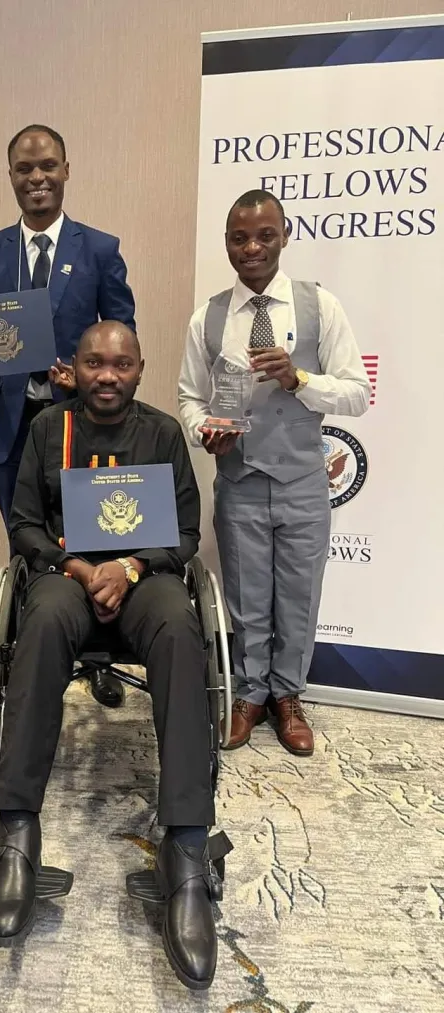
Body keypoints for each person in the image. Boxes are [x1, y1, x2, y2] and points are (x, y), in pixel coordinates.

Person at [0, 322, 221, 991]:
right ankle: (17, 829)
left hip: (144, 576)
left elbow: (187, 531)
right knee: (44, 618)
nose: (107, 375)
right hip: (70, 574)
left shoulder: (163, 432)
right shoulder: (46, 429)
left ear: (140, 369)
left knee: (179, 626)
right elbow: (24, 521)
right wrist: (82, 568)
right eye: (94, 362)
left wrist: (131, 566)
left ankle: (187, 845)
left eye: (121, 364)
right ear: (75, 368)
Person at [0, 123, 136, 709]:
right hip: (12, 429)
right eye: (25, 169)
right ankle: (31, 655)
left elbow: (122, 338)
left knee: (94, 540)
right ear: (10, 177)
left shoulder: (99, 249)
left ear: (66, 170)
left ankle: (98, 655)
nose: (37, 178)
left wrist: (83, 379)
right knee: (26, 545)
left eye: (48, 166)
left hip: (81, 428)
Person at [178, 190, 371, 756]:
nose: (252, 247)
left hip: (304, 482)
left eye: (265, 235)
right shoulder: (208, 317)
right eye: (240, 238)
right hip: (238, 481)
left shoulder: (319, 306)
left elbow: (358, 394)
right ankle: (251, 694)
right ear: (228, 244)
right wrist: (202, 430)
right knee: (247, 596)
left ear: (285, 235)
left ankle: (289, 697)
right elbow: (190, 397)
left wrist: (300, 380)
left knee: (298, 596)